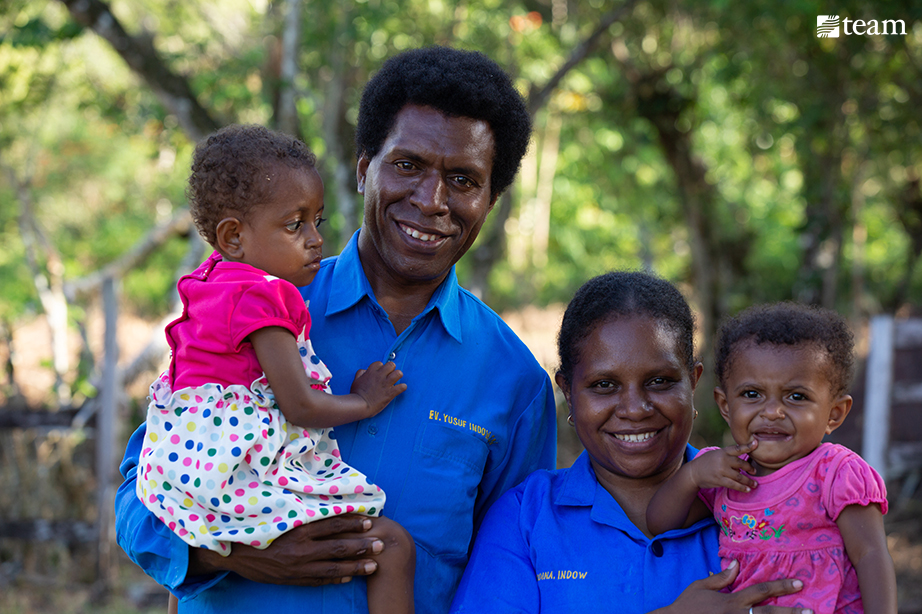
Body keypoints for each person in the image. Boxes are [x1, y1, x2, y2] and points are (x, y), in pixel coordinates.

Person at [114, 46, 557, 613]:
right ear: (364, 166)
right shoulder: (250, 306)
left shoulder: (513, 382)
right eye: (407, 165)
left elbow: (512, 573)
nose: (431, 200)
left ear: (491, 200)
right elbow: (141, 496)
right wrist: (230, 554)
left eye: (464, 179)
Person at [136, 124, 414, 614]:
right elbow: (301, 404)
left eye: (318, 223)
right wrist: (366, 401)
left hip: (189, 477)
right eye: (295, 225)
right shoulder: (263, 296)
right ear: (233, 236)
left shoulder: (207, 286)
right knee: (392, 546)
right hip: (242, 477)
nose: (315, 241)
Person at [450, 272, 812, 614]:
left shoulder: (765, 500)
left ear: (693, 382)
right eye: (604, 385)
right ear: (568, 393)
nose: (635, 409)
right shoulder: (524, 519)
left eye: (660, 381)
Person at [647, 303, 897, 614]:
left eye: (796, 396)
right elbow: (659, 522)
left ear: (835, 413)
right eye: (752, 394)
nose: (772, 412)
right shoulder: (723, 473)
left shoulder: (835, 472)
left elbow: (871, 554)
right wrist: (692, 476)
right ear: (725, 406)